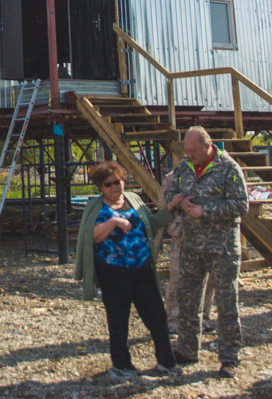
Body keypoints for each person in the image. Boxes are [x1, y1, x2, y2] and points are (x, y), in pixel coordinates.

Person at [73, 161, 179, 380]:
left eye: (118, 181)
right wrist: (113, 221)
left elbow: (153, 222)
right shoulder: (96, 207)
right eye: (108, 184)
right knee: (118, 319)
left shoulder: (133, 199)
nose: (114, 187)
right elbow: (91, 236)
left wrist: (169, 208)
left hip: (142, 270)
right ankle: (122, 365)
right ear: (100, 187)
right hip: (113, 273)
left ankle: (166, 363)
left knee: (157, 316)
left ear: (124, 180)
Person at [162, 126, 248, 379]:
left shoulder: (229, 168)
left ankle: (229, 357)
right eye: (186, 151)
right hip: (190, 245)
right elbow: (170, 190)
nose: (189, 155)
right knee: (187, 299)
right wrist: (180, 202)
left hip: (221, 248)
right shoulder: (184, 166)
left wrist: (205, 210)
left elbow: (241, 204)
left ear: (208, 146)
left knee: (226, 303)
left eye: (193, 150)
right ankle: (187, 349)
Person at [164, 215, 218, 332]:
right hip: (183, 231)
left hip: (211, 231)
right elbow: (166, 202)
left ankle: (202, 318)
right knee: (178, 277)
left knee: (208, 279)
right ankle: (173, 321)